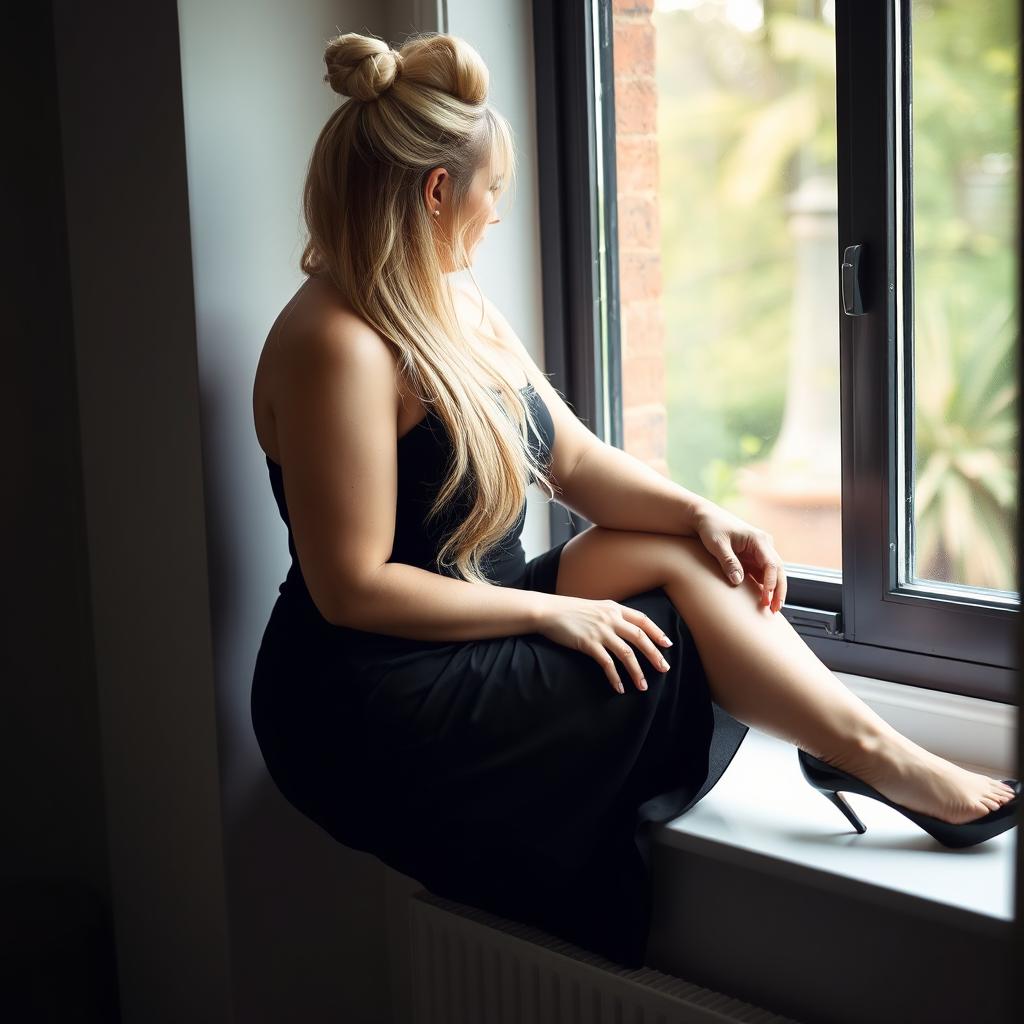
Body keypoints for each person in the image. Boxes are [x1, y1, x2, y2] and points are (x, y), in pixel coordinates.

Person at [250, 30, 1019, 968]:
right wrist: (550, 610)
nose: (498, 214)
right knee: (662, 627)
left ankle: (861, 743)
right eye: (494, 190)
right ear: (438, 193)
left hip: (474, 623)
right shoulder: (337, 344)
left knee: (683, 553)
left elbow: (569, 456)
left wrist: (703, 511)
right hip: (374, 692)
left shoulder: (449, 302)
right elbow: (354, 589)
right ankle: (873, 754)